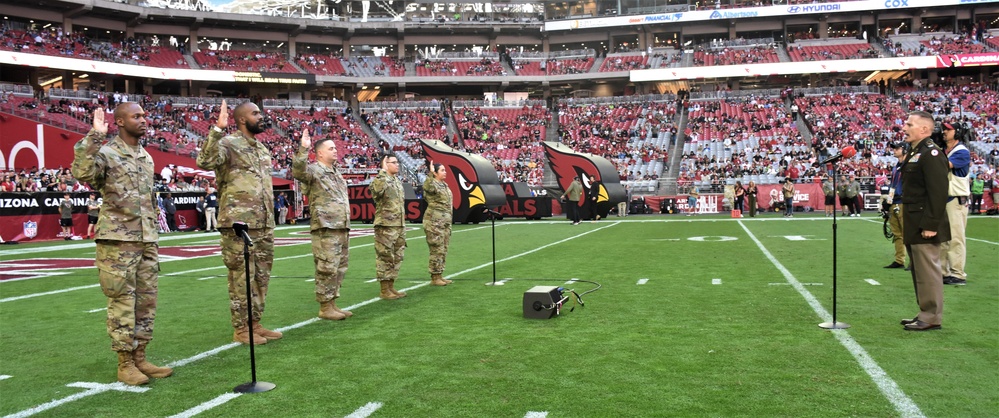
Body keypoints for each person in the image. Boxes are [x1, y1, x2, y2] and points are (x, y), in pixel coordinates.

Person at [71, 104, 172, 385]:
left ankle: (140, 356)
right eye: (136, 116)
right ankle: (124, 363)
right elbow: (82, 173)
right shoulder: (106, 152)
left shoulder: (146, 156)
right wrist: (94, 136)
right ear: (119, 122)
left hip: (147, 239)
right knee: (122, 302)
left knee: (146, 303)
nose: (143, 120)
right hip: (118, 240)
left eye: (143, 115)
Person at [196, 100, 282, 345]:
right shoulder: (227, 143)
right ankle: (241, 328)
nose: (261, 116)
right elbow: (205, 161)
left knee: (261, 277)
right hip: (239, 223)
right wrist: (217, 130)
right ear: (242, 119)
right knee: (241, 277)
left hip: (264, 223)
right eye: (255, 113)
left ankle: (255, 323)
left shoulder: (262, 149)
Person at [293, 130, 353, 320]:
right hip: (326, 226)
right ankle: (325, 306)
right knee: (327, 267)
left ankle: (333, 302)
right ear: (319, 153)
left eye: (336, 148)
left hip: (341, 225)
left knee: (339, 267)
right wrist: (303, 148)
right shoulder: (314, 170)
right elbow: (298, 171)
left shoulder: (336, 172)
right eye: (331, 148)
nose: (336, 151)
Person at [899, 111, 950, 331]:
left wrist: (930, 224)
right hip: (914, 221)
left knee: (928, 271)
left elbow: (938, 192)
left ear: (924, 129)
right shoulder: (916, 151)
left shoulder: (931, 154)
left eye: (909, 124)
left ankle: (930, 316)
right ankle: (925, 312)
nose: (904, 127)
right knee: (919, 271)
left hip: (924, 223)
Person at [370, 153, 407, 300]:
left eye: (397, 162)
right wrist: (383, 172)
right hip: (385, 224)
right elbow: (376, 191)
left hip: (398, 224)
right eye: (393, 162)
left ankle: (391, 286)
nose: (397, 164)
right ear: (385, 164)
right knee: (385, 256)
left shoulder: (396, 181)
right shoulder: (380, 179)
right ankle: (384, 289)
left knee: (397, 257)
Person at [940, 122, 970, 286]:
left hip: (956, 198)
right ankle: (944, 272)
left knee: (956, 238)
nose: (944, 132)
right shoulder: (946, 151)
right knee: (943, 239)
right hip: (945, 198)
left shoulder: (962, 151)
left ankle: (958, 273)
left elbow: (943, 165)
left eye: (948, 130)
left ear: (957, 133)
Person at [423, 161, 454, 287]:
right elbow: (427, 187)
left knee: (443, 248)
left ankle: (440, 274)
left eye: (445, 170)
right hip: (434, 222)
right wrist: (430, 174)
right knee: (436, 248)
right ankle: (435, 276)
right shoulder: (432, 184)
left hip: (444, 222)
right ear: (435, 173)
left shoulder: (444, 185)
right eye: (442, 170)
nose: (445, 172)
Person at [884, 143, 906, 269]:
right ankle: (899, 259)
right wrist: (888, 200)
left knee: (907, 233)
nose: (895, 150)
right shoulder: (896, 167)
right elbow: (893, 185)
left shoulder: (909, 165)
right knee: (897, 233)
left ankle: (913, 261)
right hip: (894, 200)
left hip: (904, 201)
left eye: (898, 148)